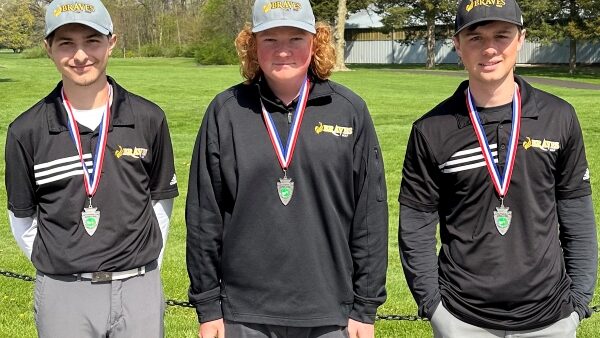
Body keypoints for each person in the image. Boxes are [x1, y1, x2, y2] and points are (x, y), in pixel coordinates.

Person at [185, 0, 388, 337]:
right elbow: (205, 215)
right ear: (252, 45)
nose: (283, 51)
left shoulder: (348, 111)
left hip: (329, 312)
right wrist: (207, 306)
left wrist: (365, 308)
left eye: (296, 38)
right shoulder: (227, 111)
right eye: (270, 40)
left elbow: (370, 215)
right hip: (244, 313)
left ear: (316, 41)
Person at [398, 0, 598, 337]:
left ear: (521, 39)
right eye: (475, 38)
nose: (489, 49)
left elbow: (576, 210)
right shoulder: (431, 130)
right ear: (457, 44)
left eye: (501, 35)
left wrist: (579, 301)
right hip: (462, 319)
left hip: (550, 317)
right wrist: (433, 305)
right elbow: (416, 223)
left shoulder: (558, 117)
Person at [5, 0, 179, 336]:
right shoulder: (25, 131)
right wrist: (63, 266)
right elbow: (22, 218)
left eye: (92, 41)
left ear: (112, 42)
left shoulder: (148, 118)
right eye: (66, 43)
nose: (81, 55)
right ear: (48, 49)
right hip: (64, 291)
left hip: (137, 287)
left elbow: (160, 202)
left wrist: (144, 267)